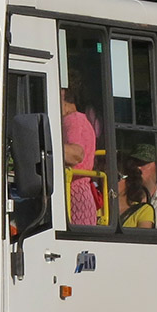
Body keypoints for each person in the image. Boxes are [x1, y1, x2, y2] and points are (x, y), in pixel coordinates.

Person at [61, 86, 100, 225]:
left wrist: (43, 149)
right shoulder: (81, 119)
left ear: (63, 94)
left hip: (74, 194)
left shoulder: (73, 120)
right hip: (79, 194)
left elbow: (76, 154)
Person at [118, 155, 155, 228]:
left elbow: (143, 238)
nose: (108, 181)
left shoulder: (144, 210)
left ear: (129, 181)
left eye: (117, 177)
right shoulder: (98, 207)